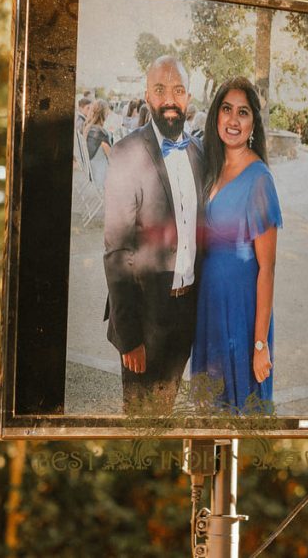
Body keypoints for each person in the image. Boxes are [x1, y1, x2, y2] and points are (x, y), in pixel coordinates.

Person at [103, 56, 205, 411]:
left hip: (185, 313)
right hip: (144, 316)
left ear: (188, 98)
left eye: (178, 90)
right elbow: (116, 250)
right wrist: (129, 337)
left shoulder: (198, 153)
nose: (169, 99)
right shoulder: (127, 152)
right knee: (140, 423)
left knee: (166, 414)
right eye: (160, 89)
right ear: (147, 95)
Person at [191, 77, 282, 412]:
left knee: (243, 414)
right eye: (226, 109)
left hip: (242, 315)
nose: (232, 120)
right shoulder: (210, 167)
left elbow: (267, 269)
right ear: (215, 115)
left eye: (242, 113)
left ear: (253, 123)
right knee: (209, 413)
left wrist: (259, 344)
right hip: (209, 310)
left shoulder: (259, 180)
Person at [82, 100, 112, 187]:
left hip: (91, 171)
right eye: (107, 111)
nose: (108, 114)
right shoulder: (101, 133)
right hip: (101, 176)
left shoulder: (88, 128)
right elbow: (111, 157)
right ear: (104, 114)